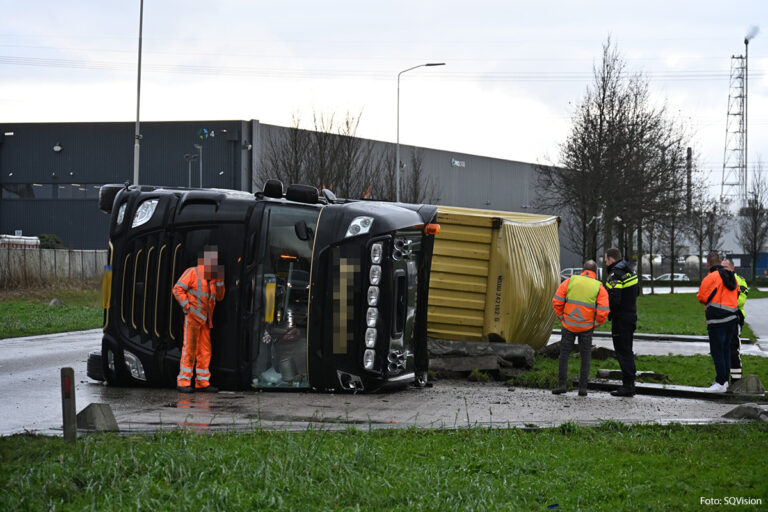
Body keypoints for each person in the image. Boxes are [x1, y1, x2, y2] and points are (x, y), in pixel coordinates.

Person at [551, 260, 610, 396]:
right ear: (595, 272)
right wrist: (595, 324)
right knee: (585, 357)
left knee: (564, 355)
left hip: (568, 324)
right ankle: (583, 388)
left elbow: (557, 301)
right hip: (586, 327)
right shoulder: (598, 287)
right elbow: (603, 311)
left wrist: (562, 318)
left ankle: (562, 385)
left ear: (583, 270)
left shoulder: (569, 281)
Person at [172, 246, 226, 393]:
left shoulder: (215, 278)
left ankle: (202, 382)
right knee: (189, 349)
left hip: (206, 321)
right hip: (193, 317)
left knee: (205, 351)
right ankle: (183, 382)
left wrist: (220, 280)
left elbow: (220, 297)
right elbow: (177, 289)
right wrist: (187, 307)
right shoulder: (193, 272)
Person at [697, 252, 739, 393]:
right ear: (721, 262)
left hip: (717, 319)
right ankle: (725, 381)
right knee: (726, 350)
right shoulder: (733, 277)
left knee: (717, 351)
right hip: (732, 318)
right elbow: (737, 293)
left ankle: (720, 382)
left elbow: (702, 297)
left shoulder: (711, 278)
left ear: (708, 264)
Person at [604, 248, 638, 397]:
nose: (605, 263)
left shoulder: (615, 274)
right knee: (627, 350)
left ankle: (627, 386)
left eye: (605, 260)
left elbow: (614, 299)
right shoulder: (630, 270)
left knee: (622, 352)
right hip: (631, 315)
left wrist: (608, 311)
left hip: (621, 318)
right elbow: (636, 291)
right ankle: (630, 382)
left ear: (611, 259)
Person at [721, 259, 749, 382]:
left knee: (733, 348)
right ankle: (723, 379)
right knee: (721, 349)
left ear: (732, 268)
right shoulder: (719, 279)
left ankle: (736, 380)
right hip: (721, 316)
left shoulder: (740, 281)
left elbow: (741, 301)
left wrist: (723, 302)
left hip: (735, 316)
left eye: (725, 267)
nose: (722, 270)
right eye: (721, 267)